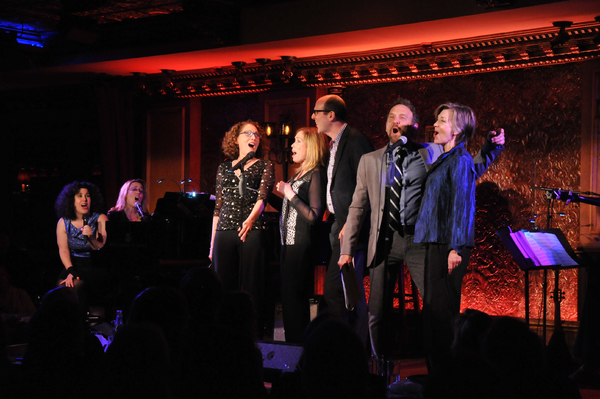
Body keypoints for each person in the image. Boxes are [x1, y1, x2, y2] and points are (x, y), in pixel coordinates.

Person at [340, 98, 504, 360]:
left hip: (420, 239)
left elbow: (466, 170)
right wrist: (346, 247)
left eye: (403, 117)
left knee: (436, 304)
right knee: (377, 310)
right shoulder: (369, 160)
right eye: (392, 116)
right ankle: (381, 366)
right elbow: (357, 206)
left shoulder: (432, 152)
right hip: (384, 240)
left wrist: (490, 148)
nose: (396, 120)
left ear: (413, 126)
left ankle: (446, 363)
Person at [414, 103, 499, 371]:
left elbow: (462, 205)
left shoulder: (460, 160)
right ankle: (437, 374)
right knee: (433, 316)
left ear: (458, 129)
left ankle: (447, 377)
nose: (435, 125)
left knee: (442, 317)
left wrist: (456, 248)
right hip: (436, 242)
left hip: (448, 246)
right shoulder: (446, 159)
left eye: (442, 121)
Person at [313, 94, 373, 343]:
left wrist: (350, 223)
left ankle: (347, 347)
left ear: (331, 115)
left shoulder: (355, 141)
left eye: (316, 112)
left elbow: (368, 185)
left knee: (341, 290)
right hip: (338, 224)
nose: (313, 117)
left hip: (351, 226)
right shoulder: (334, 144)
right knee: (346, 290)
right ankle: (353, 346)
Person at [209, 120, 275, 336]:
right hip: (225, 231)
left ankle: (253, 336)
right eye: (248, 133)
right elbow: (218, 208)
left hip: (253, 230)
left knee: (252, 286)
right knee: (223, 287)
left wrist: (250, 220)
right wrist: (212, 243)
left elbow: (262, 198)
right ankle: (222, 334)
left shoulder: (265, 165)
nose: (253, 138)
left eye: (256, 135)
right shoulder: (223, 168)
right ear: (235, 139)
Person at [275, 127, 329, 343]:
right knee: (288, 300)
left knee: (295, 300)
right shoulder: (299, 174)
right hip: (288, 244)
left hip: (301, 245)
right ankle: (292, 351)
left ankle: (298, 352)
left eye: (298, 141)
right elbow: (291, 208)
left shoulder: (316, 173)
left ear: (312, 146)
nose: (292, 146)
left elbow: (314, 214)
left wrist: (289, 193)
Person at [55, 181, 108, 306]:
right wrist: (71, 271)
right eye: (79, 195)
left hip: (94, 264)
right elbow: (63, 250)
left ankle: (81, 321)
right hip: (73, 263)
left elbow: (103, 249)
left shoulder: (100, 219)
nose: (84, 199)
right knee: (61, 286)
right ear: (71, 200)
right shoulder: (63, 222)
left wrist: (90, 238)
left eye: (87, 195)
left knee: (76, 287)